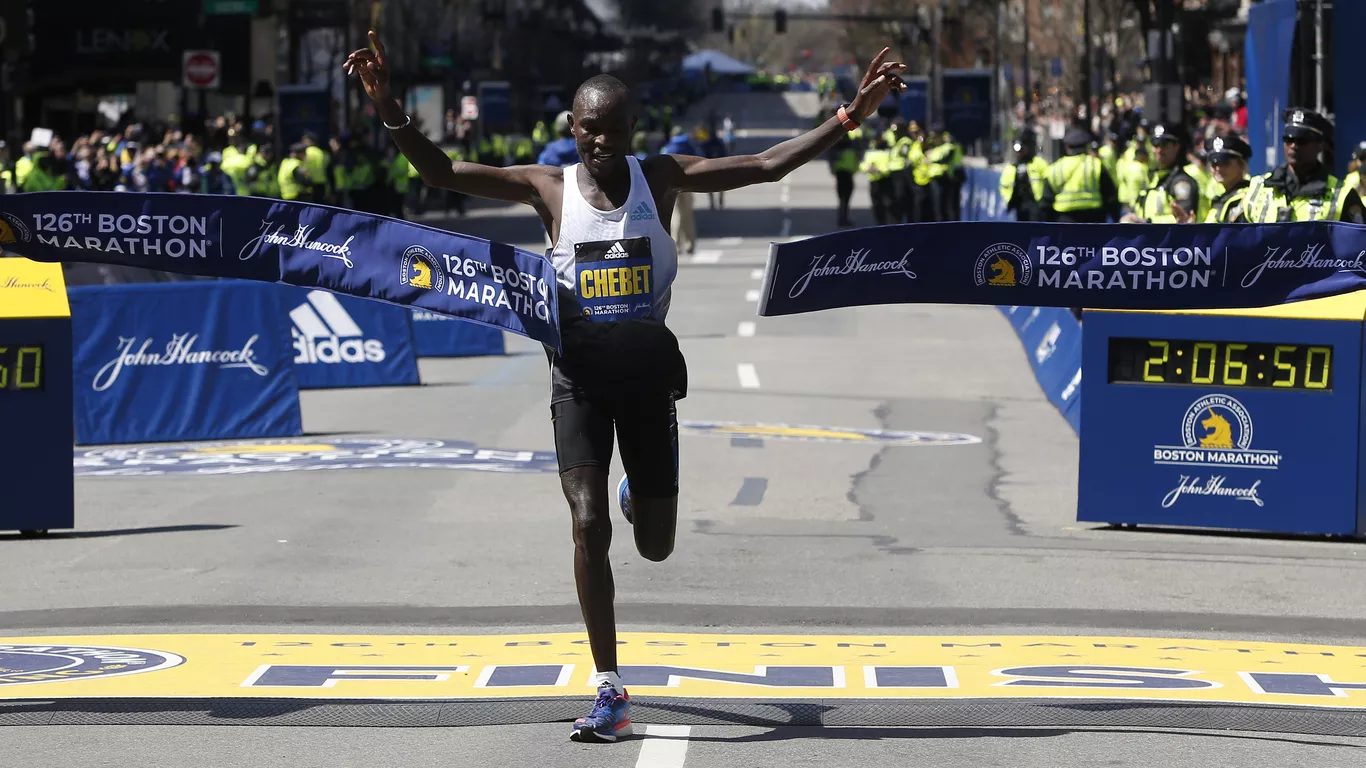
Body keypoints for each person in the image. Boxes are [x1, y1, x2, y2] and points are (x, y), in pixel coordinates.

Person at [345, 30, 906, 745]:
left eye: (612, 131)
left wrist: (850, 116)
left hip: (644, 380)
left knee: (657, 547)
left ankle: (639, 493)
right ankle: (609, 687)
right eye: (588, 130)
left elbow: (766, 165)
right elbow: (444, 170)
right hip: (576, 375)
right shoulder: (546, 187)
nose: (599, 143)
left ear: (631, 131)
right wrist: (388, 103)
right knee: (585, 523)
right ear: (570, 129)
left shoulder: (661, 178)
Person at [1241, 108, 1366, 224]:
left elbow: (1357, 243)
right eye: (1289, 139)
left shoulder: (1342, 194)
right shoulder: (1257, 187)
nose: (1294, 146)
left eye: (1302, 140)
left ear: (1320, 145)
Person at [1122, 123, 1204, 224]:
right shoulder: (1152, 179)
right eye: (1155, 145)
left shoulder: (1181, 181)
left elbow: (1185, 219)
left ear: (1176, 147)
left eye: (1164, 145)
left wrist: (1147, 222)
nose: (1159, 150)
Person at [1041, 128, 1119, 223]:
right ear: (1086, 146)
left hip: (1063, 222)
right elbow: (1110, 196)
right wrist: (1116, 219)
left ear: (1067, 147)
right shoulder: (1096, 165)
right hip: (1093, 221)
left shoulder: (1054, 168)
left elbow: (1045, 202)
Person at [661, 127, 699, 253]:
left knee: (676, 214)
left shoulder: (668, 147)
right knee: (688, 214)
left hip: (672, 185)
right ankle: (690, 243)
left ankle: (676, 244)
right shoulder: (688, 145)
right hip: (688, 184)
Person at [999, 129, 1050, 221]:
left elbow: (1049, 182)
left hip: (1037, 205)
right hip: (1018, 205)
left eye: (1022, 149)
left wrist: (1044, 202)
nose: (1019, 152)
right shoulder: (1011, 168)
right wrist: (1008, 200)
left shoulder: (1040, 164)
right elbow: (1004, 186)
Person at [1204, 135, 1253, 223]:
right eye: (1214, 164)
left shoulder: (1248, 197)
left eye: (1224, 163)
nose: (1218, 168)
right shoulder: (1221, 198)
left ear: (1241, 165)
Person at [860, 135, 894, 225]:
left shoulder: (888, 151)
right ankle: (880, 223)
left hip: (885, 180)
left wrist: (880, 170)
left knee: (888, 203)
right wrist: (868, 168)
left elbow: (890, 165)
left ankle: (889, 223)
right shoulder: (869, 152)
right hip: (874, 182)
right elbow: (863, 165)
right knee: (876, 204)